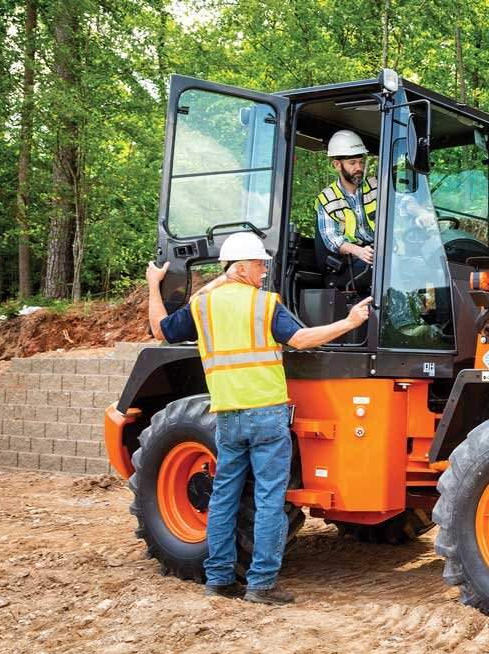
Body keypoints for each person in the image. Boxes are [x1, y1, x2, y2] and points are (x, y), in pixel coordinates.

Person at [145, 231, 372, 605]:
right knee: (269, 499)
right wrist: (349, 322)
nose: (265, 271)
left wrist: (155, 285)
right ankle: (261, 584)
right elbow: (300, 339)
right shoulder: (264, 305)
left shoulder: (204, 306)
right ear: (242, 267)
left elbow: (161, 329)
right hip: (266, 415)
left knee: (223, 497)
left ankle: (219, 579)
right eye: (259, 265)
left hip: (228, 415)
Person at [315, 129, 379, 291]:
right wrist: (359, 251)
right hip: (349, 261)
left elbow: (400, 207)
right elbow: (332, 239)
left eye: (360, 162)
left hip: (377, 251)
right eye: (352, 163)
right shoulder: (326, 198)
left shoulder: (376, 185)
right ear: (337, 165)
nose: (359, 167)